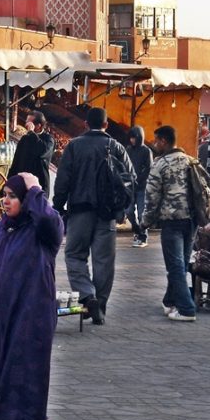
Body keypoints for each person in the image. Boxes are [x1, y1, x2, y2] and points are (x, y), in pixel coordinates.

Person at [0, 173, 63, 420]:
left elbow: (47, 219)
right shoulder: (1, 228)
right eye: (4, 195)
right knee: (4, 375)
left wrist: (34, 190)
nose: (5, 202)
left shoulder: (42, 232)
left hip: (28, 318)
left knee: (23, 376)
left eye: (13, 196)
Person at [53, 107, 134, 326]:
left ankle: (88, 296)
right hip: (106, 215)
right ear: (106, 125)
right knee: (104, 262)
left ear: (85, 124)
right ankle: (101, 305)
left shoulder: (74, 147)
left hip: (79, 210)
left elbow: (63, 180)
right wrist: (122, 210)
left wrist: (58, 205)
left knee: (74, 255)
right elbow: (130, 180)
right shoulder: (116, 147)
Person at [142, 125, 197, 321]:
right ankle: (170, 301)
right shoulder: (191, 160)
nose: (155, 144)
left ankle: (186, 308)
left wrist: (145, 222)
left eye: (156, 140)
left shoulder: (160, 164)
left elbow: (151, 196)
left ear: (164, 141)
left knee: (175, 265)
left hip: (171, 220)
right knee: (180, 263)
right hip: (192, 220)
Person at [7, 110, 55, 197]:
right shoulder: (25, 138)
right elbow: (16, 160)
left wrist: (31, 133)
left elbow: (41, 151)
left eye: (29, 123)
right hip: (21, 185)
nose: (26, 125)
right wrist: (9, 180)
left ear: (39, 126)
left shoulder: (48, 140)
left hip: (38, 187)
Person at [125, 125, 153, 247]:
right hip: (130, 187)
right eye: (131, 138)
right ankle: (137, 231)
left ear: (139, 137)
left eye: (134, 138)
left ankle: (143, 236)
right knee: (129, 211)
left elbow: (149, 168)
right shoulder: (128, 150)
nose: (132, 140)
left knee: (142, 213)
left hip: (142, 187)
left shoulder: (147, 151)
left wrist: (139, 179)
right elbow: (124, 165)